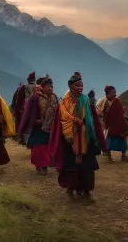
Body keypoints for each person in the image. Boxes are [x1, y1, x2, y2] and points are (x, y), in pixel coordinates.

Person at [49, 72, 102, 202]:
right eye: (77, 85)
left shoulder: (86, 101)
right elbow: (59, 121)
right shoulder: (63, 103)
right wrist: (72, 123)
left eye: (82, 85)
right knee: (71, 167)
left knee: (88, 166)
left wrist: (92, 133)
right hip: (69, 139)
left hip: (85, 138)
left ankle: (87, 191)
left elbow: (93, 119)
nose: (80, 87)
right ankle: (70, 190)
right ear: (71, 87)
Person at [19, 76, 58, 175]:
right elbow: (29, 111)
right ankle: (39, 166)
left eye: (51, 86)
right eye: (48, 86)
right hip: (38, 128)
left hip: (50, 127)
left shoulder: (54, 97)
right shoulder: (36, 97)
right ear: (43, 88)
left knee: (47, 147)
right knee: (39, 148)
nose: (50, 88)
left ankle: (44, 166)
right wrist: (35, 121)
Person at [101, 86, 128, 162]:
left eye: (115, 92)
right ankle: (108, 157)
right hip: (111, 126)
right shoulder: (104, 102)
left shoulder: (117, 100)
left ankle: (124, 156)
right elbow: (104, 113)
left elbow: (121, 111)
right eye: (112, 93)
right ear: (107, 94)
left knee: (122, 141)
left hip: (119, 125)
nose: (114, 94)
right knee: (110, 141)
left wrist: (121, 109)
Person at [14, 72, 36, 144]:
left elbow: (21, 99)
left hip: (26, 106)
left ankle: (22, 138)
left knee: (23, 123)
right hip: (36, 106)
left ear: (29, 79)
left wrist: (17, 109)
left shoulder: (25, 87)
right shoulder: (38, 86)